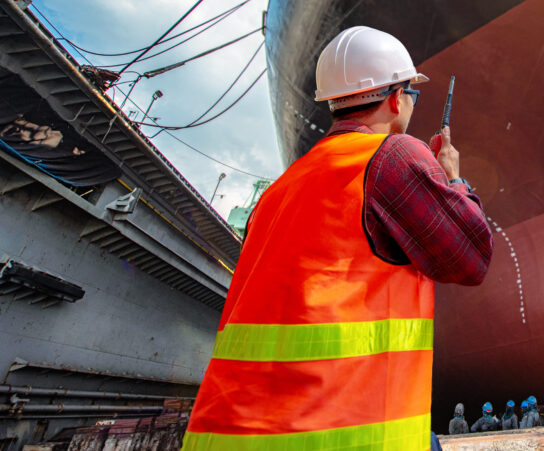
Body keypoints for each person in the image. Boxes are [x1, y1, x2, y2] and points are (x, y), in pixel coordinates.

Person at [181, 26, 493, 450]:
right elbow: (471, 258)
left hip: (225, 435)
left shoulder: (280, 189)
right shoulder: (394, 155)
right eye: (412, 96)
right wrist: (453, 177)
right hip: (334, 433)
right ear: (395, 97)